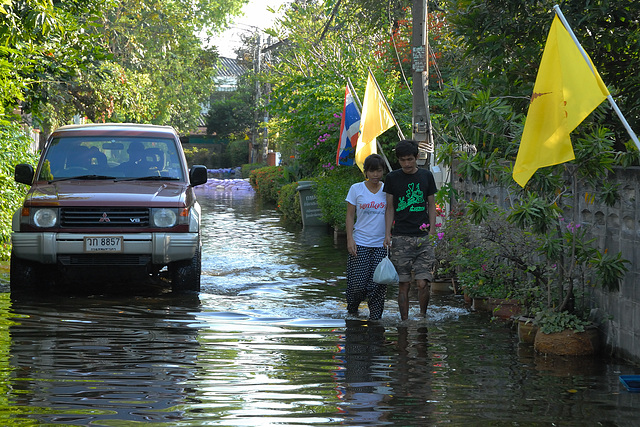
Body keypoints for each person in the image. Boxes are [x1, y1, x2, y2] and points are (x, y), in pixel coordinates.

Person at [383, 140, 438, 321]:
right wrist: (387, 234)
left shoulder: (426, 176)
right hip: (400, 237)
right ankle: (404, 320)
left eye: (409, 159)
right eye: (402, 160)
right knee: (403, 284)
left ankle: (423, 316)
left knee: (423, 283)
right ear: (398, 160)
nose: (406, 164)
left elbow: (431, 204)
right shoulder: (392, 178)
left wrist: (431, 231)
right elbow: (390, 208)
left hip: (423, 236)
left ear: (416, 158)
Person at [345, 154, 387, 320]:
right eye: (372, 171)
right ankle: (353, 311)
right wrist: (349, 239)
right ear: (366, 172)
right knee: (358, 285)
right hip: (360, 241)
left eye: (379, 171)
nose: (375, 175)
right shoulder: (356, 189)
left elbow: (392, 212)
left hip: (381, 244)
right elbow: (349, 216)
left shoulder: (387, 189)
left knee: (378, 284)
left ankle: (375, 318)